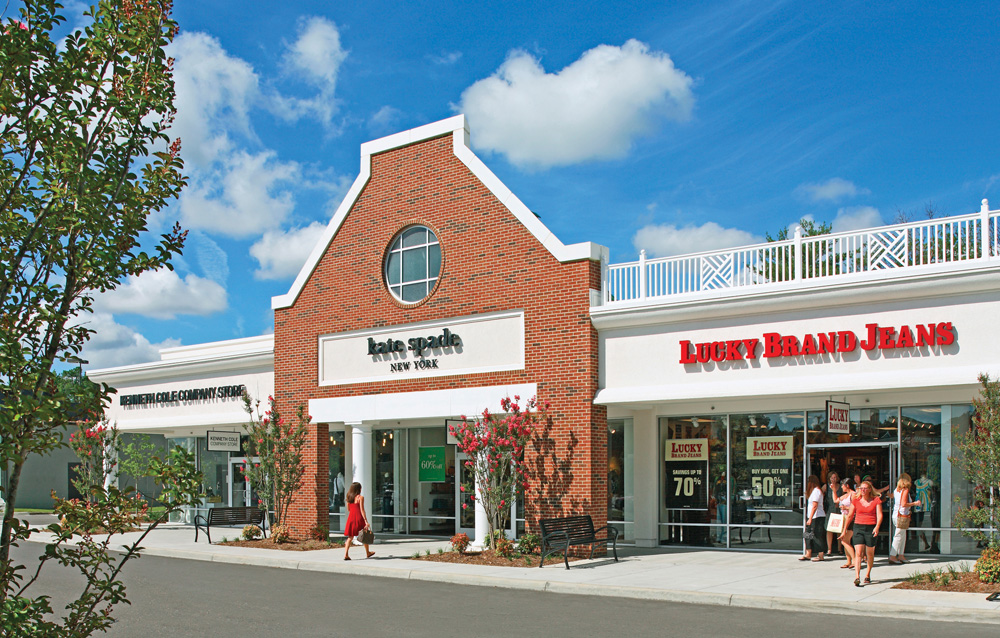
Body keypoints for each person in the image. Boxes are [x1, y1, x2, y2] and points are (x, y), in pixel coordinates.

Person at [840, 480, 882, 586]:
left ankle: (867, 574)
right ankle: (857, 577)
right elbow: (850, 515)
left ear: (869, 489)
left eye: (865, 488)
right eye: (861, 488)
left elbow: (880, 515)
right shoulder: (856, 500)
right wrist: (844, 529)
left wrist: (877, 527)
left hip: (870, 527)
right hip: (858, 527)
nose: (862, 490)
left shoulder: (876, 500)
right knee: (858, 553)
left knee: (869, 553)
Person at [889, 473, 920, 564]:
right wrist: (915, 503)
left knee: (902, 535)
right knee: (899, 536)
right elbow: (903, 504)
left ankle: (901, 555)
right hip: (902, 515)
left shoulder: (896, 490)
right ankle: (893, 555)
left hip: (896, 515)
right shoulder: (905, 490)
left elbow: (895, 500)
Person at [343, 481, 375, 560]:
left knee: (350, 537)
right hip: (359, 518)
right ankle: (368, 552)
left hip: (351, 518)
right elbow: (362, 510)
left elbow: (348, 509)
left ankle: (346, 554)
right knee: (365, 535)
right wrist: (366, 521)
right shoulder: (360, 497)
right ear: (359, 489)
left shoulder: (349, 497)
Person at [799, 475, 826, 562]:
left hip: (817, 516)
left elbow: (815, 506)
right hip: (812, 516)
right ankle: (808, 553)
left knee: (816, 535)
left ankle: (821, 554)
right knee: (807, 534)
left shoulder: (817, 491)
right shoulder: (813, 491)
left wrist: (810, 518)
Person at [837, 478, 857, 569]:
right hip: (844, 517)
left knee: (844, 540)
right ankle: (848, 560)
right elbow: (835, 500)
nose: (841, 487)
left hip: (851, 518)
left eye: (842, 485)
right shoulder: (846, 495)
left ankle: (854, 559)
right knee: (846, 540)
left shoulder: (853, 494)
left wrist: (846, 508)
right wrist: (833, 490)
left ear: (847, 485)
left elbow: (856, 508)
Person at [824, 472, 842, 556]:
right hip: (830, 509)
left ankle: (839, 548)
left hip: (838, 510)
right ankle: (829, 549)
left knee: (839, 530)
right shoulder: (826, 487)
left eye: (835, 477)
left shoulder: (841, 487)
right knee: (829, 530)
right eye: (832, 477)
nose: (833, 479)